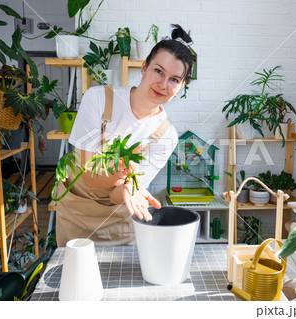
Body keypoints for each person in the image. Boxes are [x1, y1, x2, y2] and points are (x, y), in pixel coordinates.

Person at [55, 24, 195, 247]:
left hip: (118, 220)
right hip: (76, 213)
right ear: (144, 68)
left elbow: (114, 196)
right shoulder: (99, 99)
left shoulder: (166, 135)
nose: (163, 84)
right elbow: (88, 174)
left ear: (181, 86)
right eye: (158, 71)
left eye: (174, 79)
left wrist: (128, 188)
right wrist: (128, 174)